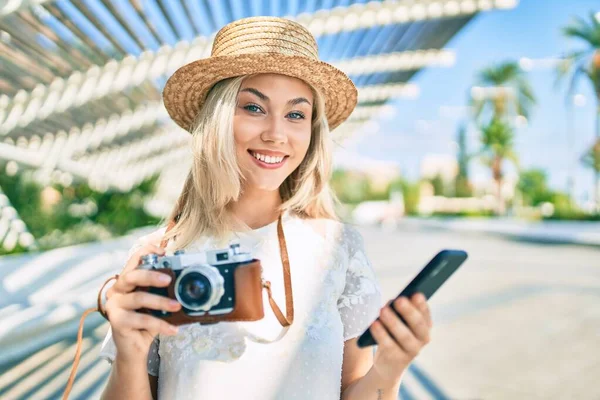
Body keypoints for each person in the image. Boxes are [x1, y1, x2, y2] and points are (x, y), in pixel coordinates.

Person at [98, 16, 432, 400]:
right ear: (217, 119)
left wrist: (389, 370)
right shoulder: (160, 254)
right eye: (254, 108)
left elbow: (356, 391)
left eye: (295, 114)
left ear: (311, 131)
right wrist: (128, 354)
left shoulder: (341, 249)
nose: (276, 134)